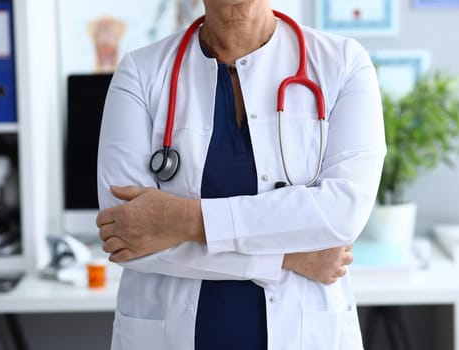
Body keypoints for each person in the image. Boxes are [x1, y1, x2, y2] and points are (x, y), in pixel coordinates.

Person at [96, 0, 386, 349]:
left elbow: (342, 213)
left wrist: (183, 219)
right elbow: (128, 234)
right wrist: (286, 257)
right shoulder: (141, 73)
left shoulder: (341, 64)